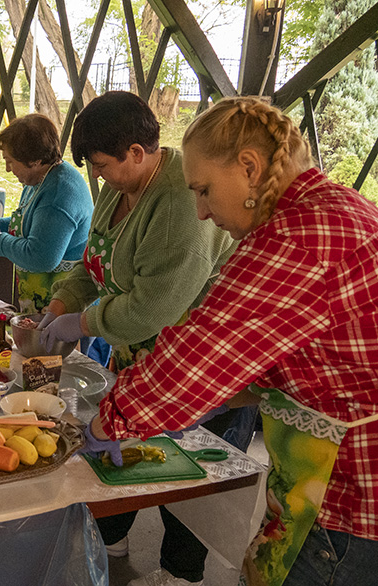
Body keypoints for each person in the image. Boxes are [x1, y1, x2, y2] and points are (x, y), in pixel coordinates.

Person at [85, 96, 378, 586]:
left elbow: (196, 354)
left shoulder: (295, 239)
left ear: (248, 168)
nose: (200, 211)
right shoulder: (339, 207)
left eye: (203, 191)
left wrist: (110, 420)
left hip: (349, 496)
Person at [37, 91, 250, 586]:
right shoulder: (119, 187)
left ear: (137, 152)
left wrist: (83, 324)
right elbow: (95, 263)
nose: (98, 176)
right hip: (140, 356)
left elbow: (157, 307)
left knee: (191, 473)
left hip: (201, 362)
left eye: (103, 164)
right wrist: (61, 304)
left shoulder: (179, 199)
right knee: (125, 448)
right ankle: (112, 534)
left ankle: (182, 573)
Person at [0, 113, 93, 313]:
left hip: (67, 306)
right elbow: (30, 222)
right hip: (42, 301)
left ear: (35, 160)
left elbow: (42, 257)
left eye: (11, 161)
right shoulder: (39, 179)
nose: (7, 169)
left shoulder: (59, 194)